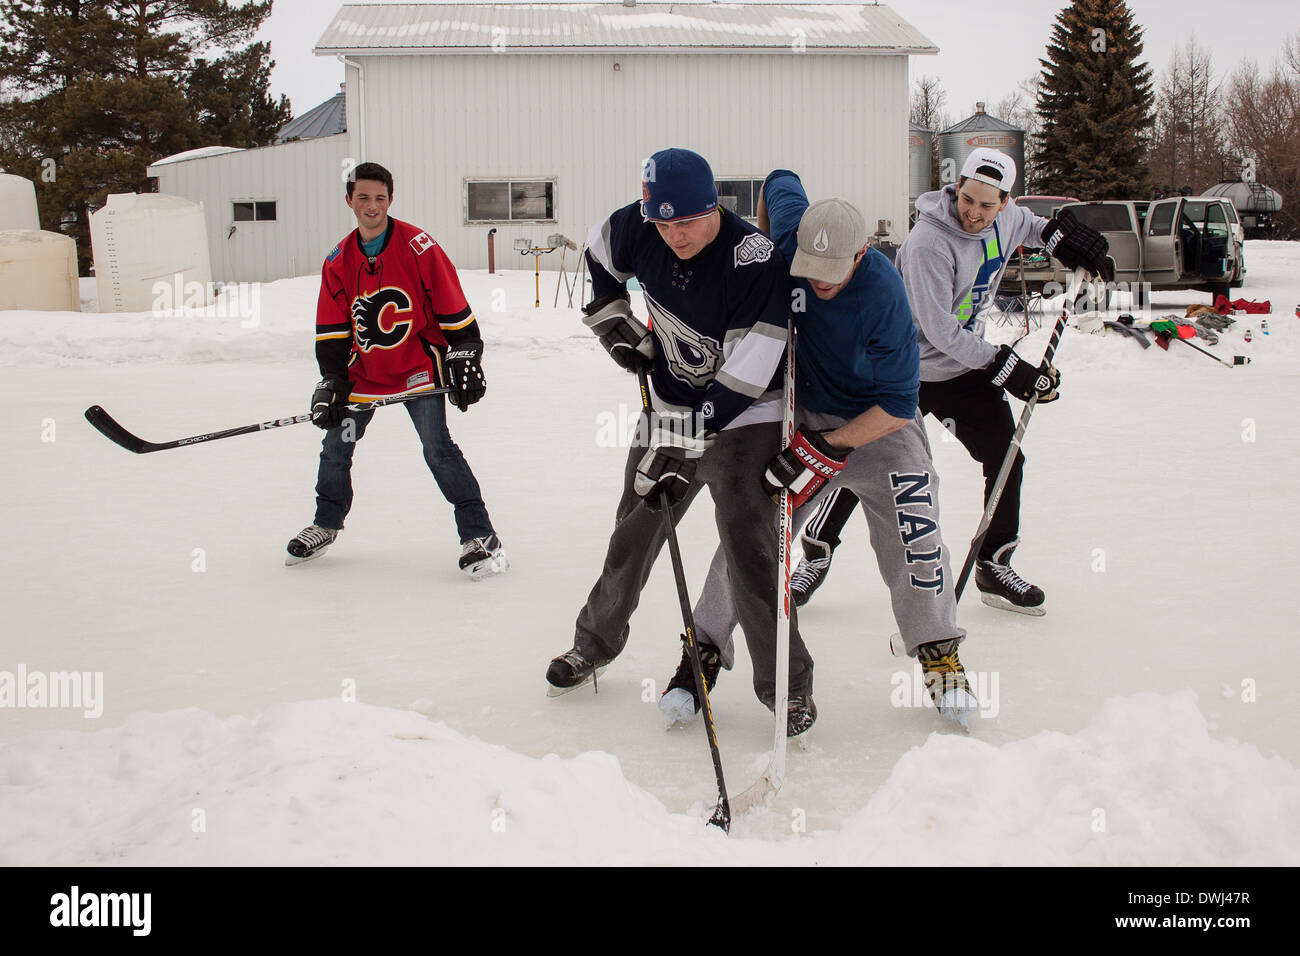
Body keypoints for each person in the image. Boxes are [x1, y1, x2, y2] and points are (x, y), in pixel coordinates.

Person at [668, 168, 979, 728]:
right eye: (809, 274)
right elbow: (779, 180)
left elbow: (899, 406)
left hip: (876, 426)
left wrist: (825, 446)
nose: (819, 284)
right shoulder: (789, 239)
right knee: (754, 532)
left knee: (915, 527)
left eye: (832, 275)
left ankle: (938, 650)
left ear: (861, 254)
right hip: (803, 411)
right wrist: (766, 258)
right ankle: (703, 649)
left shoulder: (885, 297)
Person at [545, 147, 817, 736]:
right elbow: (596, 255)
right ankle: (594, 643)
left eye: (687, 221)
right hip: (667, 410)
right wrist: (613, 322)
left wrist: (690, 435)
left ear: (714, 205)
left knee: (750, 548)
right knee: (632, 533)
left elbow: (754, 363)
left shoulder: (753, 257)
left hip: (746, 418)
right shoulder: (636, 227)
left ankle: (786, 687)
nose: (674, 235)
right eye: (662, 223)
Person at [786, 148, 1109, 615]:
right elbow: (939, 329)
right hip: (904, 372)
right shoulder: (926, 242)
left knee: (1006, 456)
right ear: (956, 189)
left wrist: (1059, 235)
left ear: (1004, 201)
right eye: (967, 199)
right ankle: (818, 546)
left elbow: (1032, 225)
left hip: (960, 371)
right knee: (864, 461)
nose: (974, 213)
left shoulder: (1008, 218)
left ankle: (994, 565)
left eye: (986, 204)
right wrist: (1007, 367)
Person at [284, 162, 506, 578]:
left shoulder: (419, 246)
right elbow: (332, 330)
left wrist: (465, 352)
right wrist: (331, 381)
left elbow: (452, 306)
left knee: (437, 448)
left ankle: (480, 535)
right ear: (349, 200)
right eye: (363, 197)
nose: (372, 206)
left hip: (417, 369)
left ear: (390, 200)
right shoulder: (338, 260)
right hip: (363, 376)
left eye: (380, 198)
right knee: (337, 447)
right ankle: (326, 523)